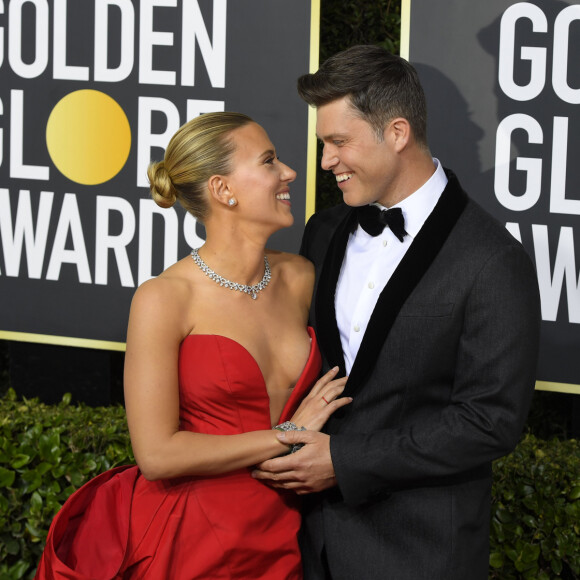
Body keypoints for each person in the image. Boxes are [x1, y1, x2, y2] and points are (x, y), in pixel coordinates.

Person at [252, 45, 542, 579]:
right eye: (323, 143)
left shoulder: (493, 261)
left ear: (398, 133)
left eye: (339, 142)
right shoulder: (325, 230)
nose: (325, 162)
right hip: (307, 545)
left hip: (418, 553)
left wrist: (345, 462)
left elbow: (489, 422)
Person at [34, 112, 351, 579]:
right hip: (190, 538)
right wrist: (285, 434)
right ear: (224, 190)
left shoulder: (301, 277)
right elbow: (158, 455)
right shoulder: (164, 298)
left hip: (285, 530)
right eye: (268, 161)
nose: (289, 172)